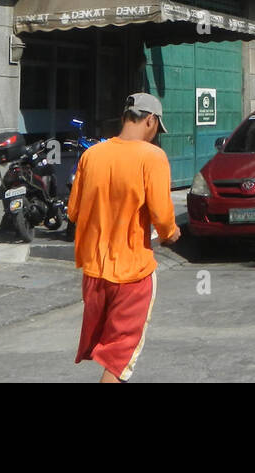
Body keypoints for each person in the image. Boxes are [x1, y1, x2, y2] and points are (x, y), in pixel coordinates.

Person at [68, 91, 180, 383]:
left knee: (111, 355)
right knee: (119, 362)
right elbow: (163, 216)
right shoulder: (152, 156)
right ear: (151, 120)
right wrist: (171, 233)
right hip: (133, 274)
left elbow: (73, 212)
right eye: (157, 127)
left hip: (94, 274)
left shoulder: (91, 155)